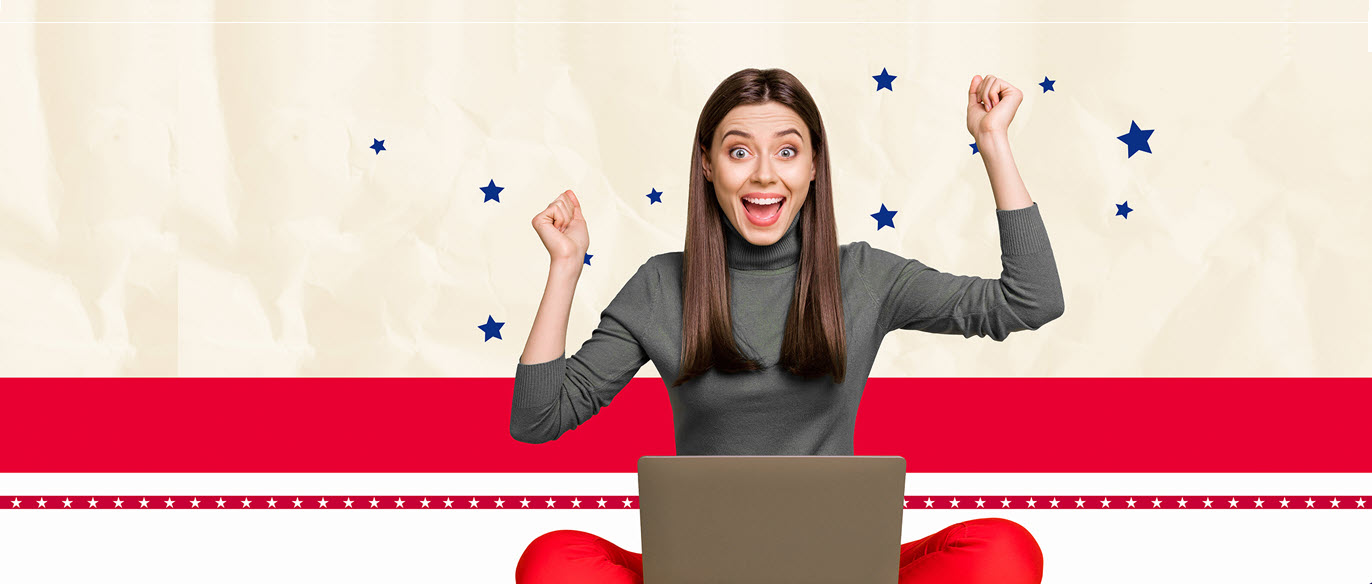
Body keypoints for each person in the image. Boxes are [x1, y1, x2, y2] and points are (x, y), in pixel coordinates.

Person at [509, 67, 1063, 584]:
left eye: (788, 151)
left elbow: (1030, 301)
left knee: (1003, 548)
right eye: (740, 151)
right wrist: (565, 266)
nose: (765, 174)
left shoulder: (865, 276)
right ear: (707, 164)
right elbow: (538, 420)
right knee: (552, 559)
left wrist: (993, 142)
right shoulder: (660, 286)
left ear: (814, 164)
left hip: (839, 568)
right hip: (702, 570)